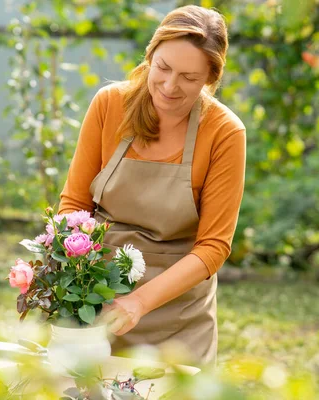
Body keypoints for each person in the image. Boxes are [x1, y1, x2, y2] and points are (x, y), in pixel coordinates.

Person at [58, 5, 246, 367]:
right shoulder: (109, 105)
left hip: (177, 316)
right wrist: (78, 279)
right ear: (150, 56)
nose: (170, 86)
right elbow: (73, 205)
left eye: (189, 78)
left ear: (210, 78)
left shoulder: (224, 132)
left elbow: (213, 247)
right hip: (97, 298)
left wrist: (141, 301)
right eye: (163, 68)